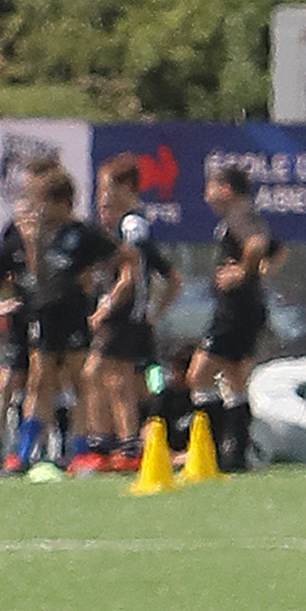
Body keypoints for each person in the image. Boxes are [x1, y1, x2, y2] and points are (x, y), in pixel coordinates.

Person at [0, 169, 119, 473]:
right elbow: (36, 276)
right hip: (42, 313)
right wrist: (32, 246)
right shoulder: (33, 232)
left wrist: (103, 289)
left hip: (73, 314)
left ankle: (79, 449)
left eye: (43, 201)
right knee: (38, 380)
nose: (39, 209)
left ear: (62, 202)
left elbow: (123, 258)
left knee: (78, 381)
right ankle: (24, 452)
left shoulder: (84, 233)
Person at [89, 156, 181, 471]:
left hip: (123, 315)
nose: (102, 194)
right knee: (128, 381)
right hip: (128, 315)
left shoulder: (133, 225)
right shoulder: (118, 225)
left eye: (108, 187)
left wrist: (111, 305)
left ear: (126, 188)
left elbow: (135, 272)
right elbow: (170, 278)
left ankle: (121, 443)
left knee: (110, 377)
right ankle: (128, 442)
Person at [191, 165, 277, 471]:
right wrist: (258, 269)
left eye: (210, 188)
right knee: (235, 379)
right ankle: (235, 454)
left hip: (235, 312)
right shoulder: (244, 214)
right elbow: (276, 250)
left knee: (198, 375)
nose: (207, 196)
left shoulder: (239, 214)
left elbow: (258, 244)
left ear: (225, 189)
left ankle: (210, 450)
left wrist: (243, 271)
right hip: (245, 309)